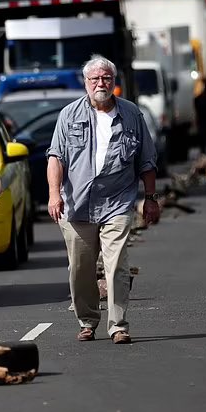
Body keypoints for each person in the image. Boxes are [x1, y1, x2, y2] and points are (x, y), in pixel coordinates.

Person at [46, 55, 161, 345]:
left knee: (117, 264)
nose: (101, 83)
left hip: (118, 203)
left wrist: (150, 198)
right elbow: (56, 157)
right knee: (80, 269)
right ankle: (87, 321)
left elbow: (146, 161)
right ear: (85, 82)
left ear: (114, 82)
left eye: (106, 78)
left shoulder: (132, 115)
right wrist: (53, 195)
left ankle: (118, 325)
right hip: (77, 204)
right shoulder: (69, 115)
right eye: (95, 79)